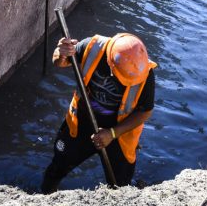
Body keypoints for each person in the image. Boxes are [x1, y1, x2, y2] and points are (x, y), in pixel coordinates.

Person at [41, 33, 156, 193]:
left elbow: (144, 112)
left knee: (120, 185)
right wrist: (62, 53)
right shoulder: (92, 48)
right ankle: (46, 196)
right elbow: (59, 61)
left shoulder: (143, 73)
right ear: (111, 64)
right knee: (58, 167)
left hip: (118, 132)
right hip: (82, 121)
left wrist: (112, 133)